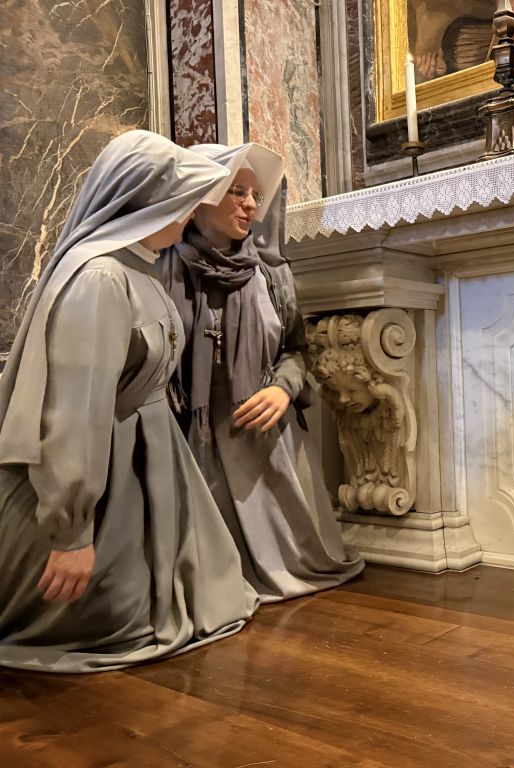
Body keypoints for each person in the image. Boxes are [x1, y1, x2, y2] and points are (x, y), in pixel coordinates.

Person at [0, 130, 259, 672]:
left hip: (146, 461)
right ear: (145, 199)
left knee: (204, 594)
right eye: (182, 199)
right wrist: (72, 533)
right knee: (118, 617)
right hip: (108, 476)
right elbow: (75, 412)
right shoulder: (100, 277)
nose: (190, 212)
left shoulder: (138, 266)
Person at [161, 143, 364, 603]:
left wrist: (282, 390)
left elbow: (295, 349)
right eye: (237, 192)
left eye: (255, 195)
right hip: (194, 442)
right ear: (200, 196)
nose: (251, 205)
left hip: (266, 440)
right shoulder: (164, 268)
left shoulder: (270, 274)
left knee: (303, 565)